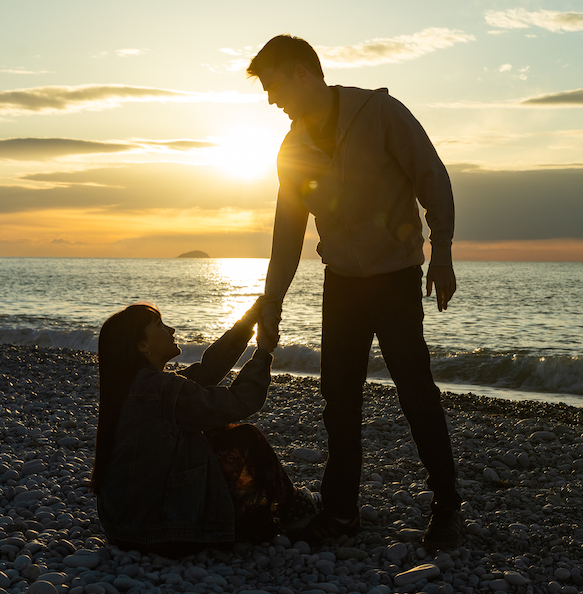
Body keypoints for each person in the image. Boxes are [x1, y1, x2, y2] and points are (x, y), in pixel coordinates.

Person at [247, 34, 463, 549]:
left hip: (395, 276)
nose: (271, 100)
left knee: (415, 389)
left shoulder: (379, 111)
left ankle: (448, 505)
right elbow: (287, 233)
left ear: (303, 73)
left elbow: (430, 175)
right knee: (338, 399)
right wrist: (271, 301)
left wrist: (445, 249)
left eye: (274, 85)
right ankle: (342, 512)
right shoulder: (293, 148)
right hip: (341, 280)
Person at [90, 299, 320, 557]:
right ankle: (293, 508)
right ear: (142, 345)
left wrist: (249, 320)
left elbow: (206, 372)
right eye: (160, 325)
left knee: (215, 434)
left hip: (122, 529)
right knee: (246, 436)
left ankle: (281, 506)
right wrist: (264, 352)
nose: (171, 330)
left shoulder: (131, 385)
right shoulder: (162, 390)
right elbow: (241, 400)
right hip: (162, 533)